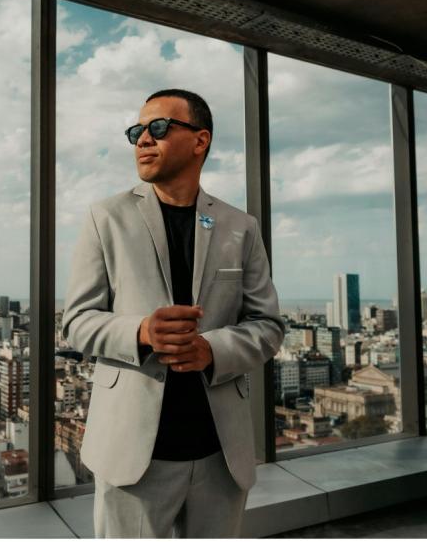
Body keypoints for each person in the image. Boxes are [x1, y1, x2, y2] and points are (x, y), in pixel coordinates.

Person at [61, 89, 286, 538]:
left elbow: (269, 326)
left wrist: (212, 350)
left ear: (200, 140)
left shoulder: (240, 227)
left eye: (159, 128)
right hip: (133, 453)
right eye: (137, 131)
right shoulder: (106, 217)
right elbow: (76, 322)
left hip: (220, 453)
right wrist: (142, 331)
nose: (144, 139)